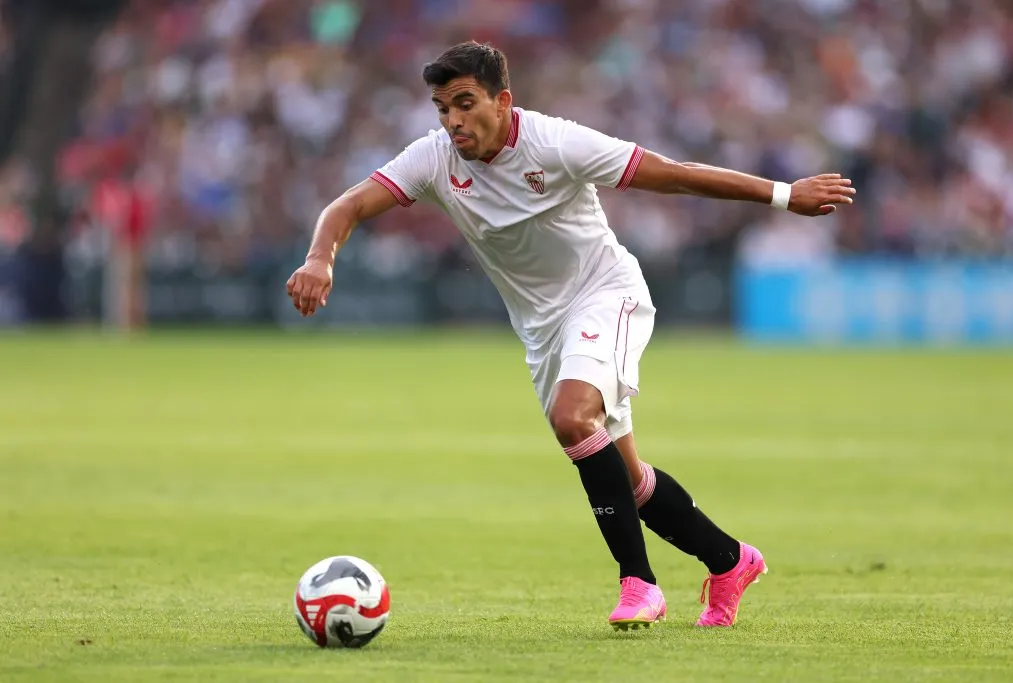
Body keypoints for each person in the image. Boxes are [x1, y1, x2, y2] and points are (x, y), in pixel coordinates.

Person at [286, 41, 856, 630]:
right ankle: (731, 561)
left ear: (503, 101)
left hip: (607, 294)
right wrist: (320, 258)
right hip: (542, 331)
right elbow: (348, 205)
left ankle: (639, 584)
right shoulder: (433, 159)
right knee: (630, 480)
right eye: (441, 108)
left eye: (464, 103)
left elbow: (674, 176)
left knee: (572, 418)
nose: (453, 121)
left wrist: (786, 195)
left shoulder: (556, 143)